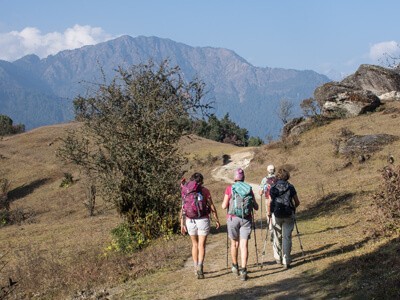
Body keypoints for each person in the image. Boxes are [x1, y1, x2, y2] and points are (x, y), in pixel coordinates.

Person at [180, 172, 220, 279]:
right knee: (201, 245)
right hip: (203, 219)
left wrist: (182, 224)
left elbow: (183, 208)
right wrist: (216, 219)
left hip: (190, 220)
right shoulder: (205, 191)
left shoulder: (185, 190)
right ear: (201, 181)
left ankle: (195, 268)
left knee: (195, 244)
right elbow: (211, 206)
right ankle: (200, 268)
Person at [221, 168, 259, 281]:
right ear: (243, 177)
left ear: (235, 178)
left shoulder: (230, 188)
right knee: (244, 245)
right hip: (246, 219)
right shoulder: (249, 189)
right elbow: (256, 207)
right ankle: (244, 270)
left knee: (234, 244)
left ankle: (234, 266)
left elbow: (223, 206)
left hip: (232, 218)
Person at [267, 168, 300, 269]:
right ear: (287, 176)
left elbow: (269, 202)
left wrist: (269, 213)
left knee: (277, 236)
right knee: (287, 237)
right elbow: (297, 202)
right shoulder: (290, 187)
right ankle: (287, 260)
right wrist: (293, 209)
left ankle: (278, 257)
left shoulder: (273, 187)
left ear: (278, 176)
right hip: (288, 214)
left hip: (276, 214)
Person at [259, 165, 277, 241]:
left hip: (267, 200)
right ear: (274, 170)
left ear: (267, 170)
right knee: (276, 214)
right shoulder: (277, 179)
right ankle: (277, 230)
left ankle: (271, 230)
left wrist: (262, 191)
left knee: (268, 215)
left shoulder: (264, 180)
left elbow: (260, 192)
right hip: (277, 199)